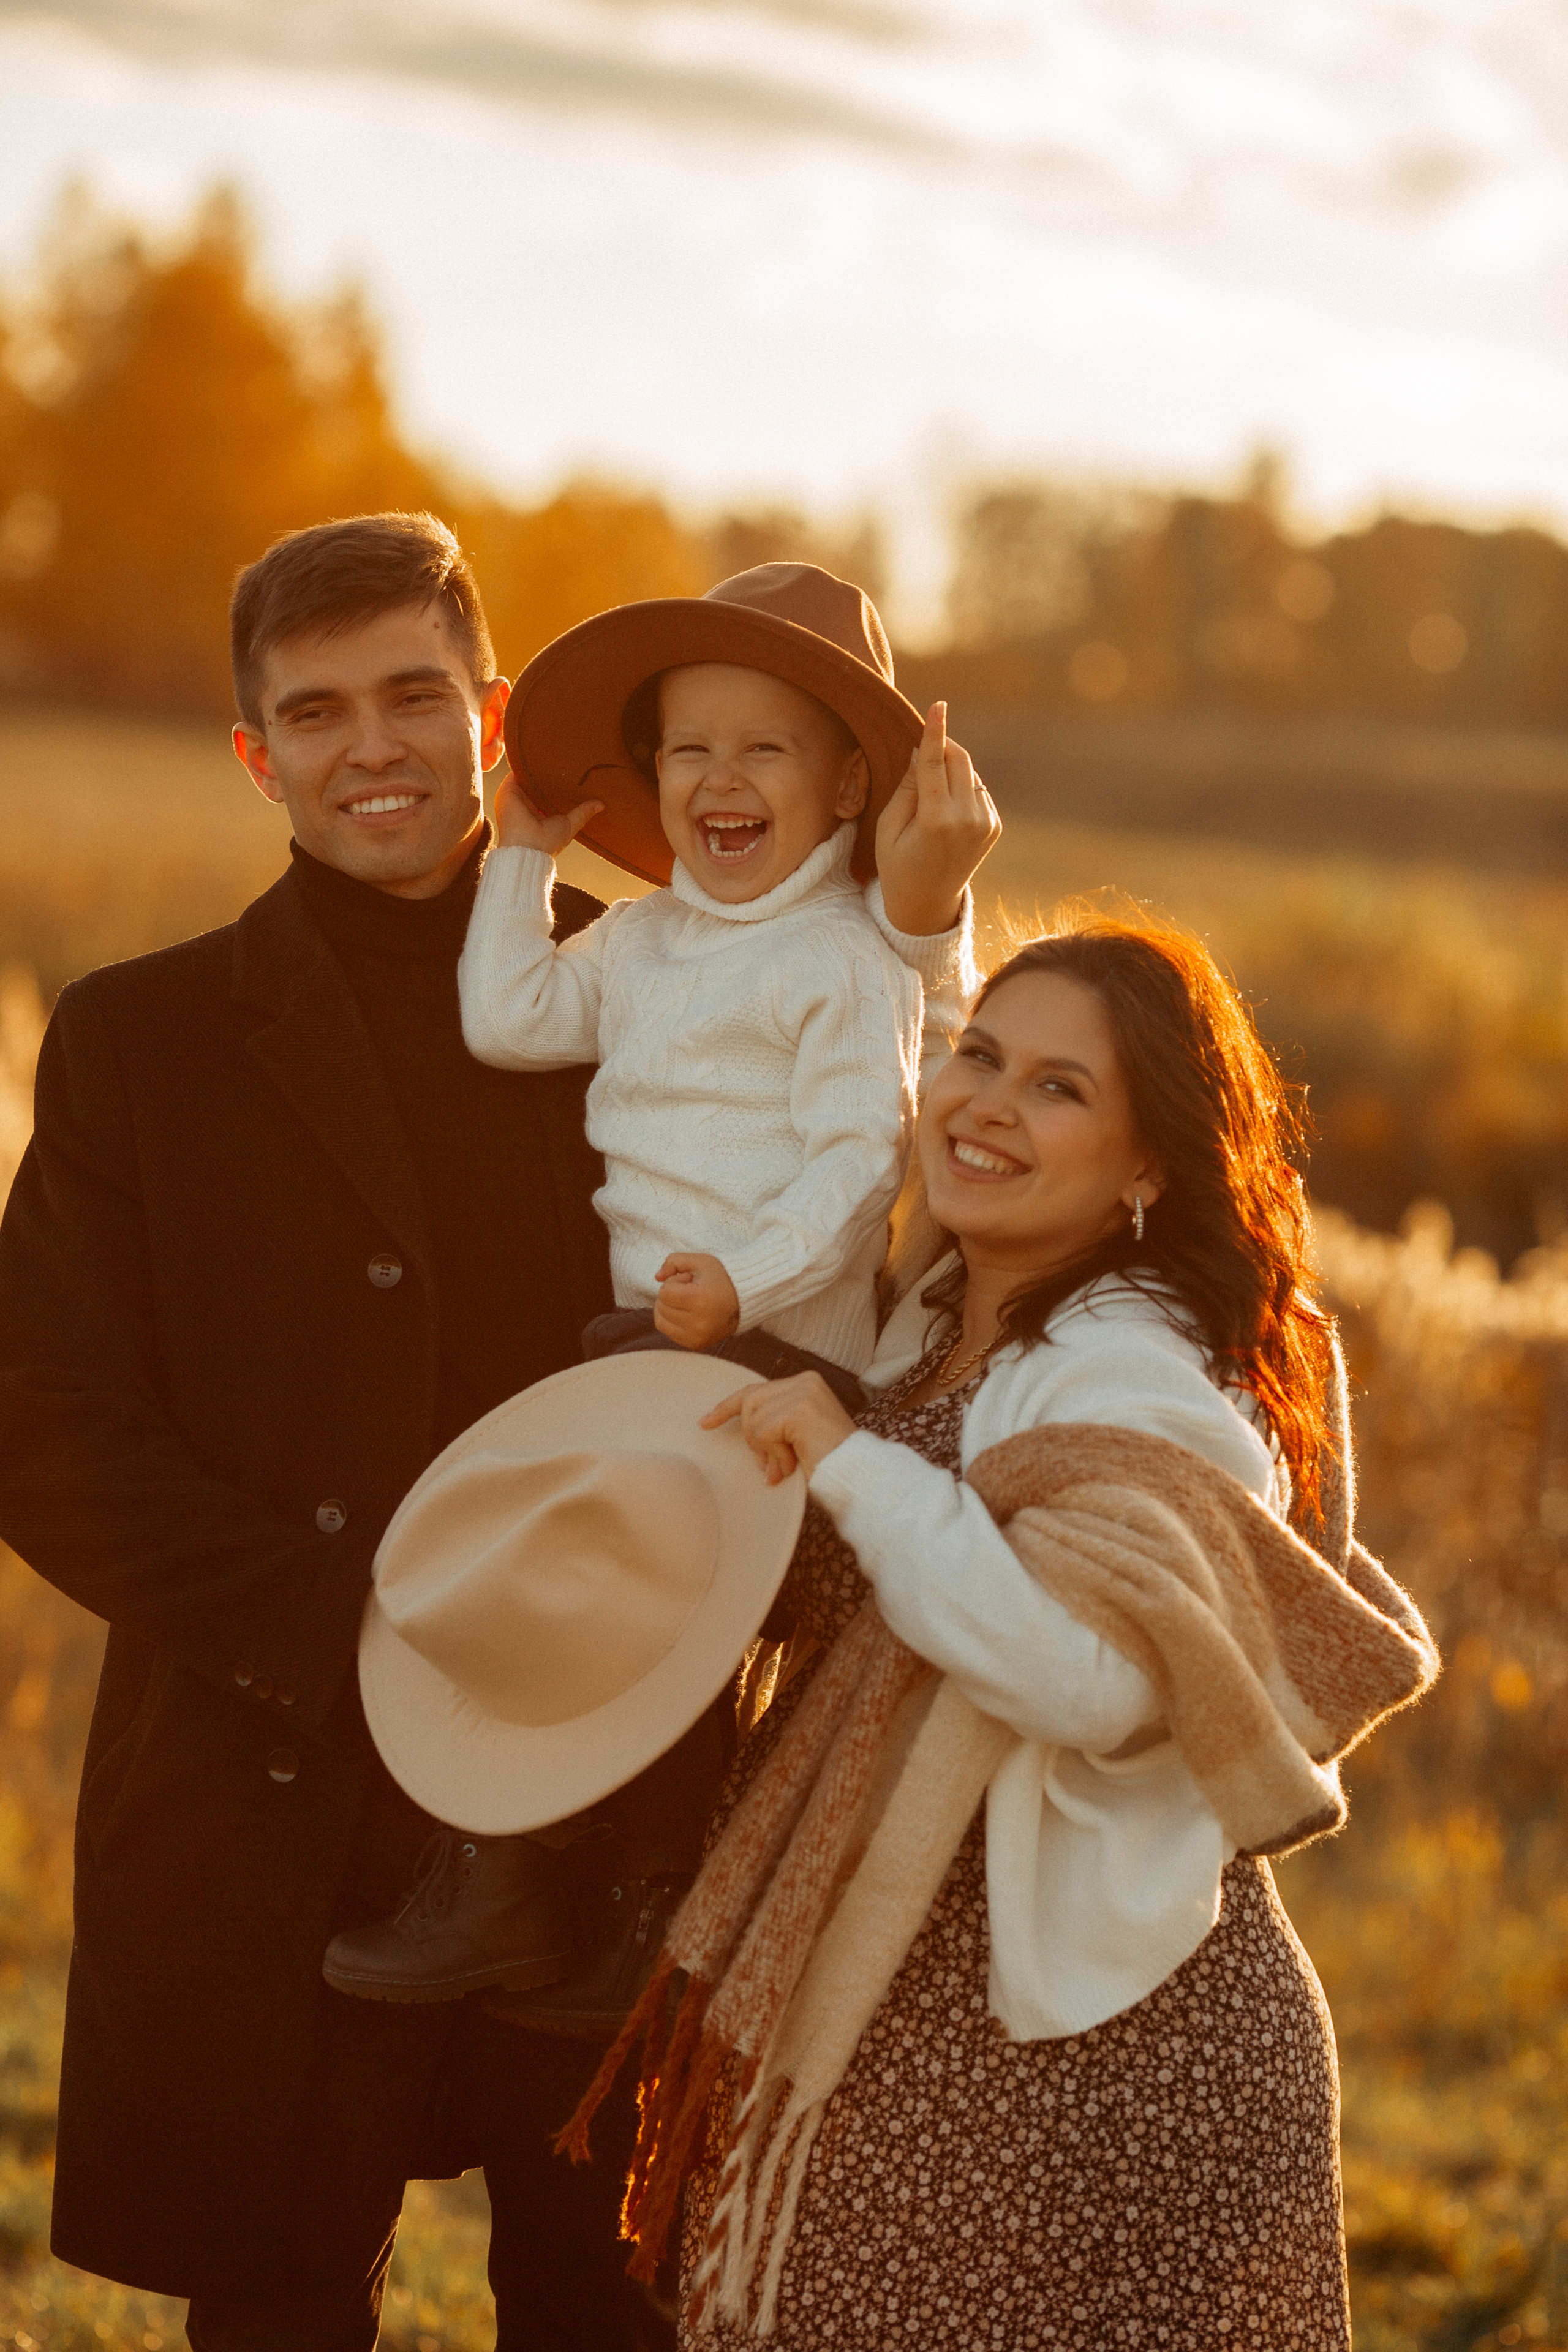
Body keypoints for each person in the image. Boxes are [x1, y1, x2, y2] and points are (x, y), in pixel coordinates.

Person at [0, 510, 992, 2352]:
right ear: (255, 753)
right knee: (277, 2315)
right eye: (314, 713)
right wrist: (347, 1629)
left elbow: (924, 1207)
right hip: (269, 1786)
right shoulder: (141, 1043)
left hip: (632, 1796)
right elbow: (39, 1418)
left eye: (411, 695)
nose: (368, 745)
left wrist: (928, 920)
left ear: (498, 712)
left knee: (608, 2311)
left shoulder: (678, 984)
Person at [572, 912, 1439, 2349]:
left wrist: (851, 1465)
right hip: (911, 1994)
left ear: (1149, 1165)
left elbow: (1089, 1681)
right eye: (980, 1055)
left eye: (1060, 1088)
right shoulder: (936, 1322)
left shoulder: (1135, 1367)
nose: (986, 1102)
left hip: (1090, 2048)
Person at [326, 560, 998, 2021]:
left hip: (765, 1335)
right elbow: (508, 1023)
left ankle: (642, 1912)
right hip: (647, 1330)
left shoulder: (843, 961)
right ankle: (509, 1872)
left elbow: (858, 1158)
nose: (719, 777)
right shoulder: (636, 944)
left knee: (663, 1599)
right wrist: (518, 856)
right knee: (563, 1556)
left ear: (843, 792)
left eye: (764, 747)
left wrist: (741, 1286)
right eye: (688, 748)